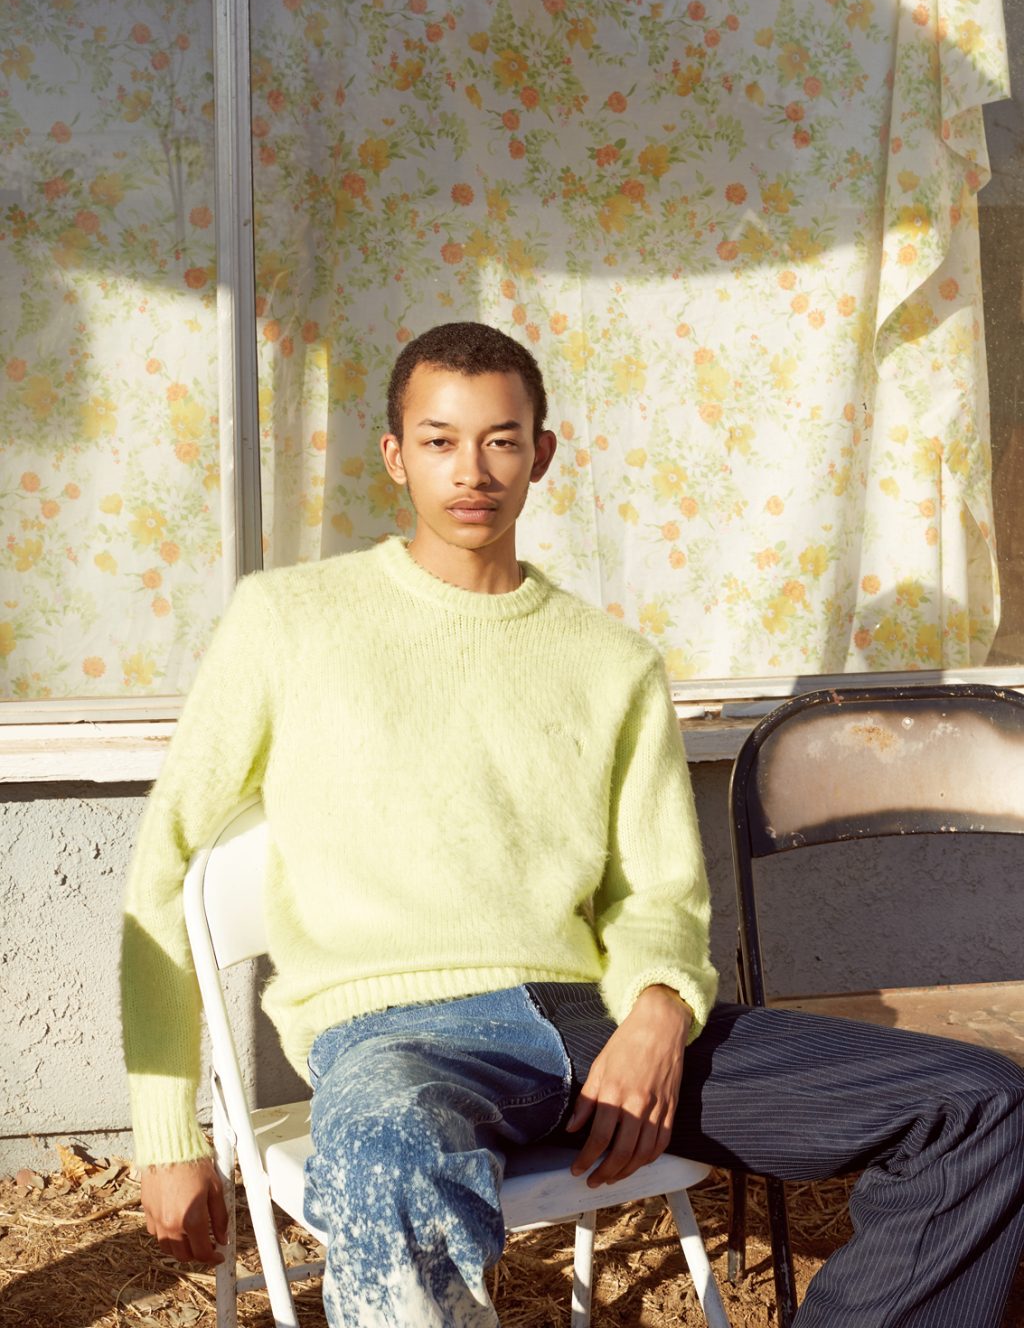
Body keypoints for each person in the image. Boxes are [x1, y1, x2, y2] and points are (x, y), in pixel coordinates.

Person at [123, 321, 1024, 1327]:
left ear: (541, 454)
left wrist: (657, 1015)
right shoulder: (286, 622)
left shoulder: (611, 663)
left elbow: (656, 896)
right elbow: (165, 865)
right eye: (439, 440)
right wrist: (167, 1134)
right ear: (395, 456)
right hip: (400, 1040)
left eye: (501, 440)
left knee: (980, 1103)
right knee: (386, 1158)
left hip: (593, 1021)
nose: (473, 471)